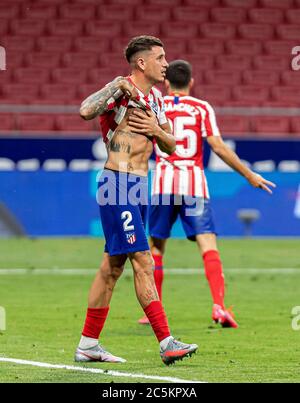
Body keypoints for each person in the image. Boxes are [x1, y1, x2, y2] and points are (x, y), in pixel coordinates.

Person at [75, 38, 198, 366]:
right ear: (141, 63)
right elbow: (86, 110)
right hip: (117, 183)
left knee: (112, 268)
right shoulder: (121, 89)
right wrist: (113, 87)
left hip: (138, 186)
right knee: (143, 260)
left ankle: (88, 345)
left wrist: (156, 130)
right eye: (160, 58)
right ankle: (166, 342)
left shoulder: (156, 97)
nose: (165, 63)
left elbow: (172, 145)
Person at [138, 60, 276, 328]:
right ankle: (219, 306)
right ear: (191, 82)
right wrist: (249, 175)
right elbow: (219, 148)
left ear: (166, 83)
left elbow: (144, 147)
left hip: (163, 185)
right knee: (208, 245)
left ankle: (152, 311)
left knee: (156, 248)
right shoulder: (202, 108)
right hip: (194, 186)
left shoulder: (156, 106)